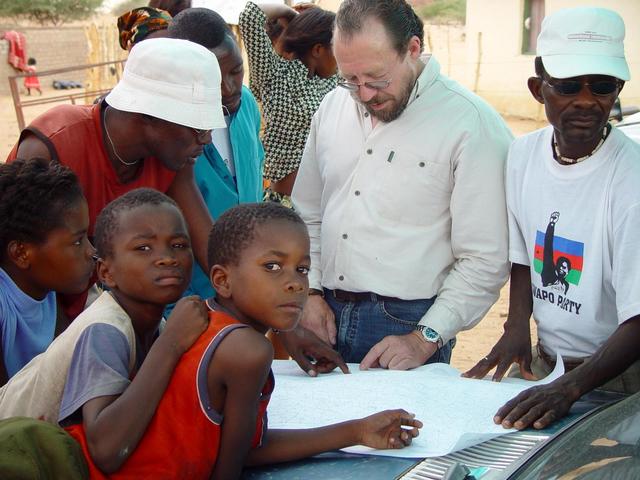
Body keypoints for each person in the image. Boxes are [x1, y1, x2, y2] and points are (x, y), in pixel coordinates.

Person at [67, 201, 419, 479]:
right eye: (272, 267)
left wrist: (358, 431)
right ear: (222, 280)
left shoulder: (210, 322)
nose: (295, 283)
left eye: (302, 268)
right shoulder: (246, 350)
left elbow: (243, 449)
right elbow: (229, 470)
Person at [292, 0, 512, 370]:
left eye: (377, 80)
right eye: (350, 79)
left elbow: (485, 258)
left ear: (412, 49)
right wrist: (310, 292)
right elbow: (307, 214)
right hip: (321, 313)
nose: (363, 95)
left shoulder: (471, 124)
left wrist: (424, 338)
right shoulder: (332, 107)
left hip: (406, 325)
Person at [464, 7, 640, 431]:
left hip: (622, 379)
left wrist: (569, 389)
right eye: (566, 86)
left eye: (601, 86)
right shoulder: (522, 156)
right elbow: (526, 252)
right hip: (551, 365)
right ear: (538, 89)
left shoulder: (631, 179)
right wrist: (516, 327)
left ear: (616, 91)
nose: (585, 100)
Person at [6, 37, 223, 322]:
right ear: (149, 116)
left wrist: (264, 309)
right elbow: (23, 265)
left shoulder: (173, 160)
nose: (206, 139)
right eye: (197, 127)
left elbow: (209, 248)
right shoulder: (56, 144)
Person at [167, 7, 264, 301]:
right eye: (213, 79)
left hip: (248, 289)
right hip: (192, 302)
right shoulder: (170, 129)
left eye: (236, 70)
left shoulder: (246, 104)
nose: (228, 88)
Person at [0, 159, 95, 385]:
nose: (92, 252)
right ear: (21, 253)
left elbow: (66, 369)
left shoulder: (46, 289)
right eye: (77, 242)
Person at [239, 1, 338, 204]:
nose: (341, 57)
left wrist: (317, 18)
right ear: (318, 49)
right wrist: (289, 14)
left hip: (327, 203)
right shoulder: (275, 73)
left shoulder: (333, 82)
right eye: (336, 48)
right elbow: (250, 16)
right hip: (286, 203)